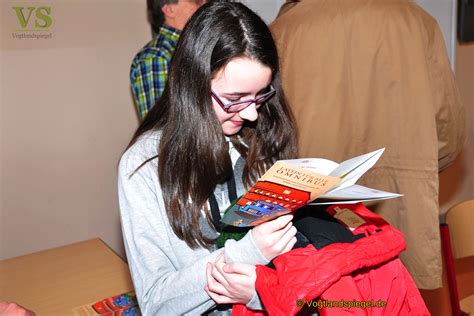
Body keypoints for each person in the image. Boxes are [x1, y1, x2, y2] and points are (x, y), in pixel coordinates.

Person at [270, 0, 465, 289]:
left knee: (327, 297)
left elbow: (264, 134)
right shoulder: (416, 20)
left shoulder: (284, 28)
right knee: (393, 297)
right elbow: (448, 130)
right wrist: (412, 168)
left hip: (315, 211)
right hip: (396, 202)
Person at [118, 2, 298, 314]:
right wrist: (246, 253)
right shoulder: (143, 166)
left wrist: (258, 293)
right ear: (193, 86)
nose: (252, 113)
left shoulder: (261, 136)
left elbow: (291, 279)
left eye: (261, 94)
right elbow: (156, 303)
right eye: (234, 99)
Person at [130, 0, 205, 121]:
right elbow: (160, 128)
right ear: (169, 10)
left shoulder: (196, 47)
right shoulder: (155, 57)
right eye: (195, 0)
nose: (203, 2)